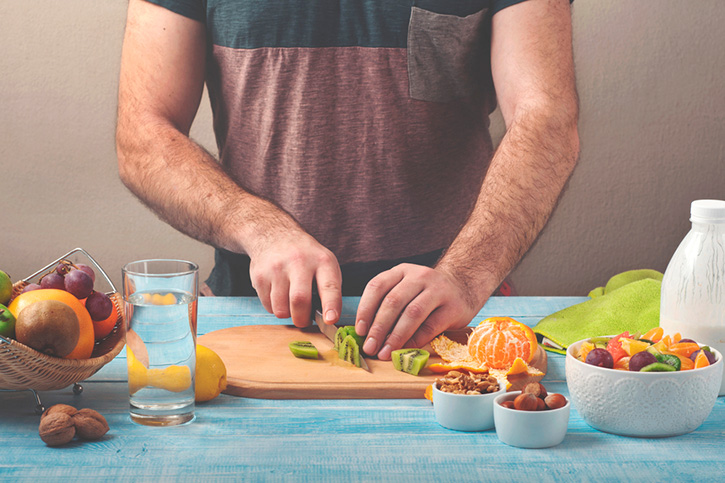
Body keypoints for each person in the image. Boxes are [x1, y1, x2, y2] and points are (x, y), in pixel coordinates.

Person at [116, 0, 579, 361]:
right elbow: (142, 132)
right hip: (252, 314)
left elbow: (547, 119)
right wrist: (260, 227)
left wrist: (464, 275)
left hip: (458, 320)